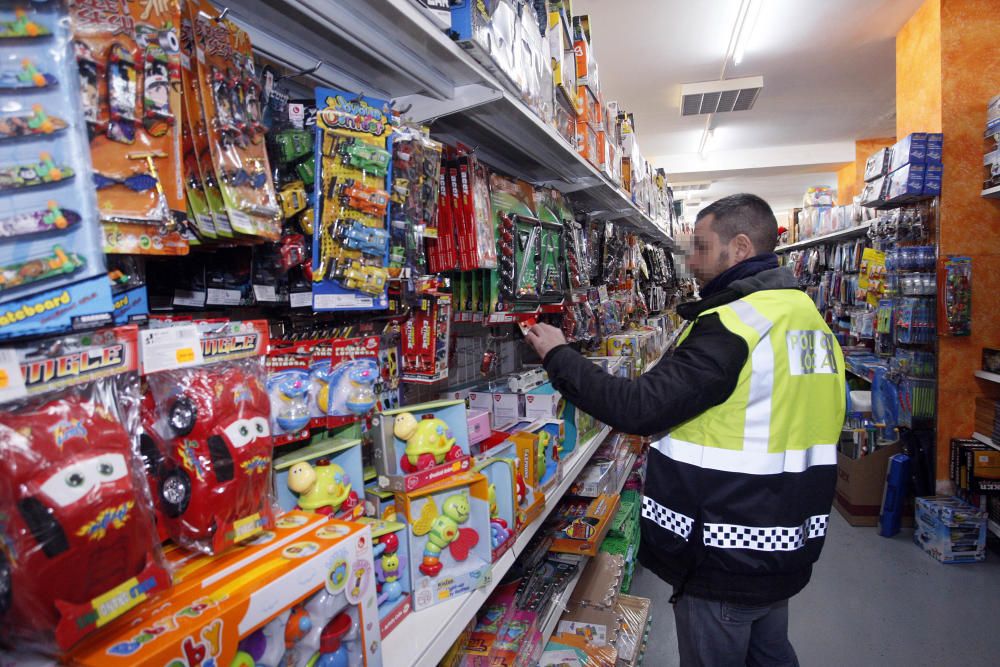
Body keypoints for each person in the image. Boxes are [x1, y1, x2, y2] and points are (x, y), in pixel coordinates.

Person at [524, 193, 845, 667]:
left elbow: (638, 407)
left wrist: (559, 355)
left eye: (700, 245)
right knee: (770, 651)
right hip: (784, 540)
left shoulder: (735, 325)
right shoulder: (805, 317)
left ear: (738, 248)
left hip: (726, 548)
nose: (690, 259)